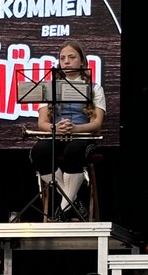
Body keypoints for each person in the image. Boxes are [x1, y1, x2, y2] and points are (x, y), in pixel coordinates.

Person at [28, 40, 105, 217]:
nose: (66, 62)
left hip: (82, 137)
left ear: (82, 61)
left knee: (73, 151)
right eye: (62, 58)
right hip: (56, 135)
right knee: (39, 151)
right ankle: (72, 202)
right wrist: (55, 127)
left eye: (71, 57)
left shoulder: (94, 88)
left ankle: (63, 210)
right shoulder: (49, 87)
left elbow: (96, 124)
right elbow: (42, 123)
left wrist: (75, 129)